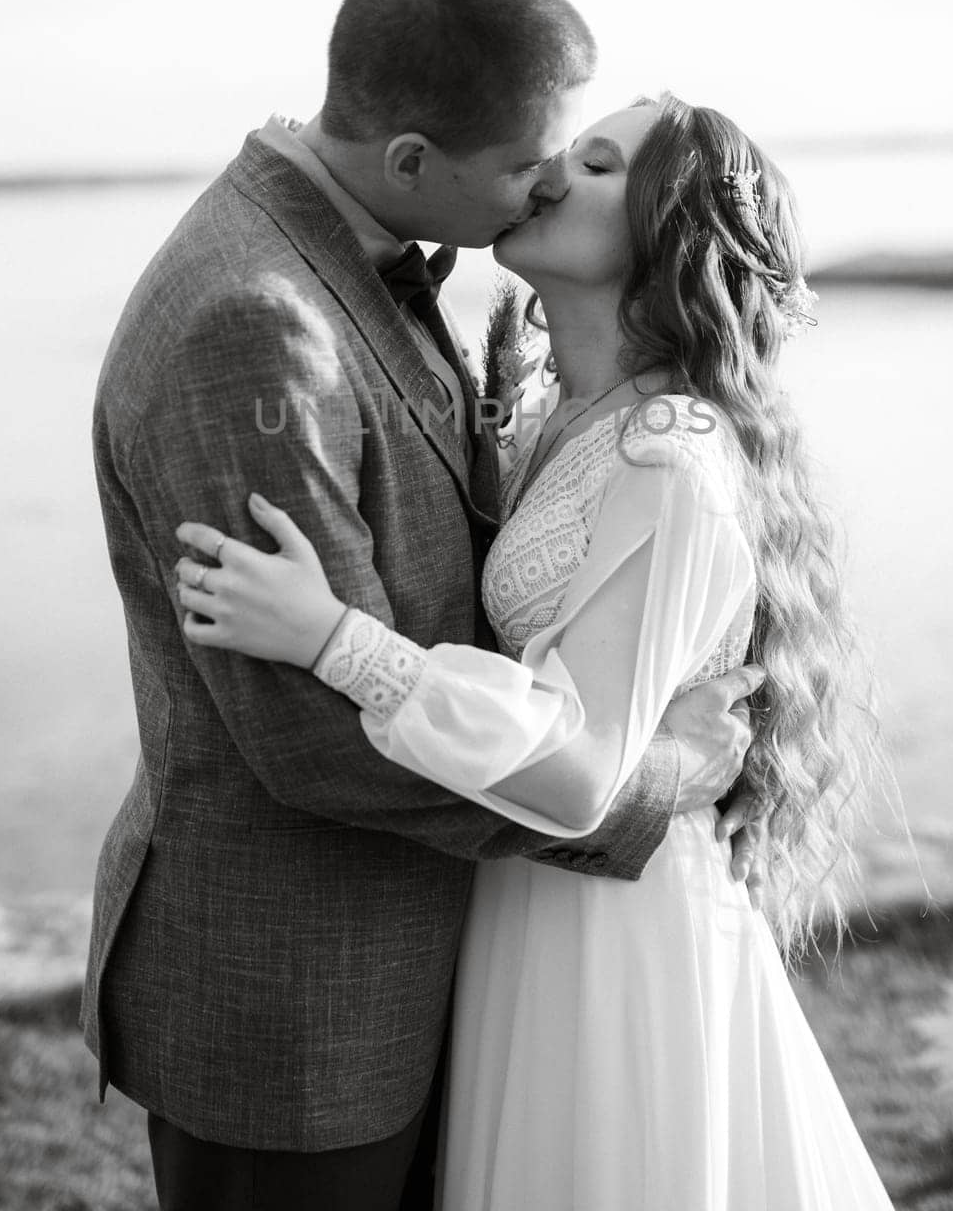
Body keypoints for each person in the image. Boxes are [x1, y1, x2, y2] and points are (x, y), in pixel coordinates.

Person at [83, 0, 761, 1211]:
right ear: (410, 163)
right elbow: (311, 739)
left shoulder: (383, 271)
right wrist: (647, 780)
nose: (538, 189)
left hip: (438, 965)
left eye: (576, 162)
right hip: (295, 1003)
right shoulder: (258, 323)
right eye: (526, 165)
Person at [175, 94, 894, 1210]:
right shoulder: (568, 412)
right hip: (528, 894)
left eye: (597, 163)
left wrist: (334, 638)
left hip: (618, 933)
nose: (552, 171)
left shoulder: (672, 459)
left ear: (664, 233)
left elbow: (577, 763)